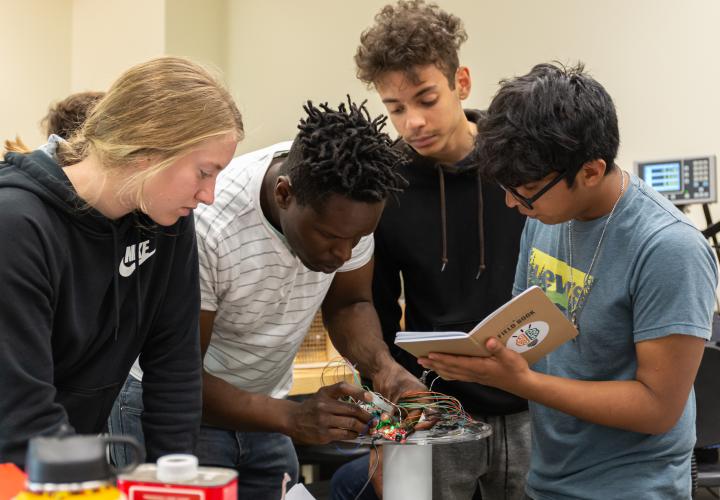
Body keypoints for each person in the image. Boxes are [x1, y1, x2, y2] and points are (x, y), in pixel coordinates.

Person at [419, 62, 718, 499]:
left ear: (591, 171)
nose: (511, 203)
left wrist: (519, 383)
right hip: (549, 479)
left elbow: (657, 408)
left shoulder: (670, 248)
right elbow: (528, 329)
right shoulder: (547, 214)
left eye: (525, 191)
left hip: (631, 489)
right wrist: (479, 359)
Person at [111, 97, 425, 498]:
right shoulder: (210, 224)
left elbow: (350, 304)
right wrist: (294, 418)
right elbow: (177, 375)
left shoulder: (349, 207)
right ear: (284, 194)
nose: (344, 254)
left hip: (267, 410)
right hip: (171, 411)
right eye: (330, 237)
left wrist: (385, 369)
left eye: (358, 239)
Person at [0, 56, 243, 466]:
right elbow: (21, 416)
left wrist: (176, 482)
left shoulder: (164, 219)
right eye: (204, 172)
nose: (209, 195)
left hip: (59, 464)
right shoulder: (17, 225)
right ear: (147, 149)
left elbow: (175, 371)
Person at [332, 2, 529, 499]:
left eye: (426, 98)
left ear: (461, 82)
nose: (413, 122)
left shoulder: (523, 164)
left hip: (534, 402)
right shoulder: (384, 186)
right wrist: (385, 418)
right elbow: (369, 308)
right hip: (431, 410)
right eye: (396, 108)